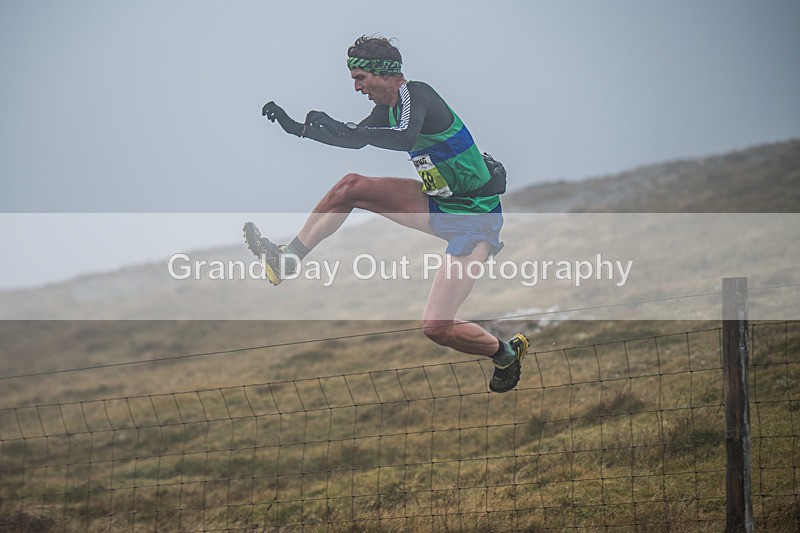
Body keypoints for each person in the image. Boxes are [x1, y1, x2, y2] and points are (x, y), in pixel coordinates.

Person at [245, 35, 529, 392]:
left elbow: (405, 137)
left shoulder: (416, 95)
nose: (357, 87)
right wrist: (298, 129)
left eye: (360, 77)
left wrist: (345, 126)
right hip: (439, 204)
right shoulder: (387, 108)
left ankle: (505, 354)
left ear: (385, 73)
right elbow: (358, 139)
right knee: (351, 187)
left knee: (436, 327)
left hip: (475, 221)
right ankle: (287, 259)